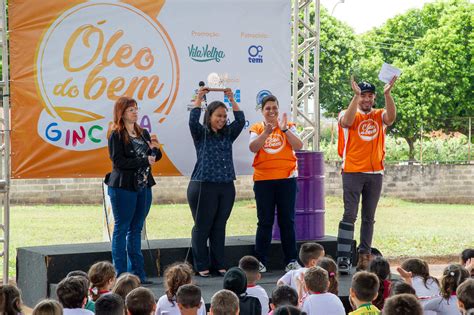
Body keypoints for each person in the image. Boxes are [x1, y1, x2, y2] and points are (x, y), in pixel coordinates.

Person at [336, 76, 398, 273]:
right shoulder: (348, 112)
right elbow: (346, 121)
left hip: (375, 173)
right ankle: (344, 258)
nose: (366, 99)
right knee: (350, 214)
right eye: (363, 95)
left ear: (374, 98)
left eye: (370, 96)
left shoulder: (379, 115)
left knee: (369, 217)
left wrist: (388, 94)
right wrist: (355, 97)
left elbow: (391, 117)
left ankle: (364, 256)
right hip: (353, 171)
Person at [188, 87, 245, 277]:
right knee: (203, 226)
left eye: (224, 116)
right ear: (209, 115)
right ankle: (201, 264)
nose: (221, 119)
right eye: (218, 116)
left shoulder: (228, 133)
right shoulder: (200, 133)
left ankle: (219, 263)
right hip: (203, 185)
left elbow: (241, 120)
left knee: (219, 226)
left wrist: (230, 98)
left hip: (226, 185)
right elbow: (192, 118)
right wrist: (199, 97)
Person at [104, 96, 162, 283]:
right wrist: (144, 160)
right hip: (123, 186)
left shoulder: (143, 133)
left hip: (143, 185)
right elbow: (119, 162)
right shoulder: (116, 134)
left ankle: (137, 274)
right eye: (131, 109)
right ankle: (120, 275)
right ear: (121, 113)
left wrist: (155, 149)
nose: (135, 112)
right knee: (121, 228)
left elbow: (154, 157)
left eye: (137, 108)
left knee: (136, 228)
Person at [249, 94, 303, 273]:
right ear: (262, 111)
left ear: (278, 110)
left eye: (274, 108)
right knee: (264, 221)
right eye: (267, 108)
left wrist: (285, 130)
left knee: (287, 221)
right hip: (263, 180)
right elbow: (253, 147)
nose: (271, 111)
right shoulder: (257, 128)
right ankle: (260, 260)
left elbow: (299, 145)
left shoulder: (288, 126)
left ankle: (291, 260)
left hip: (286, 179)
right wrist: (266, 132)